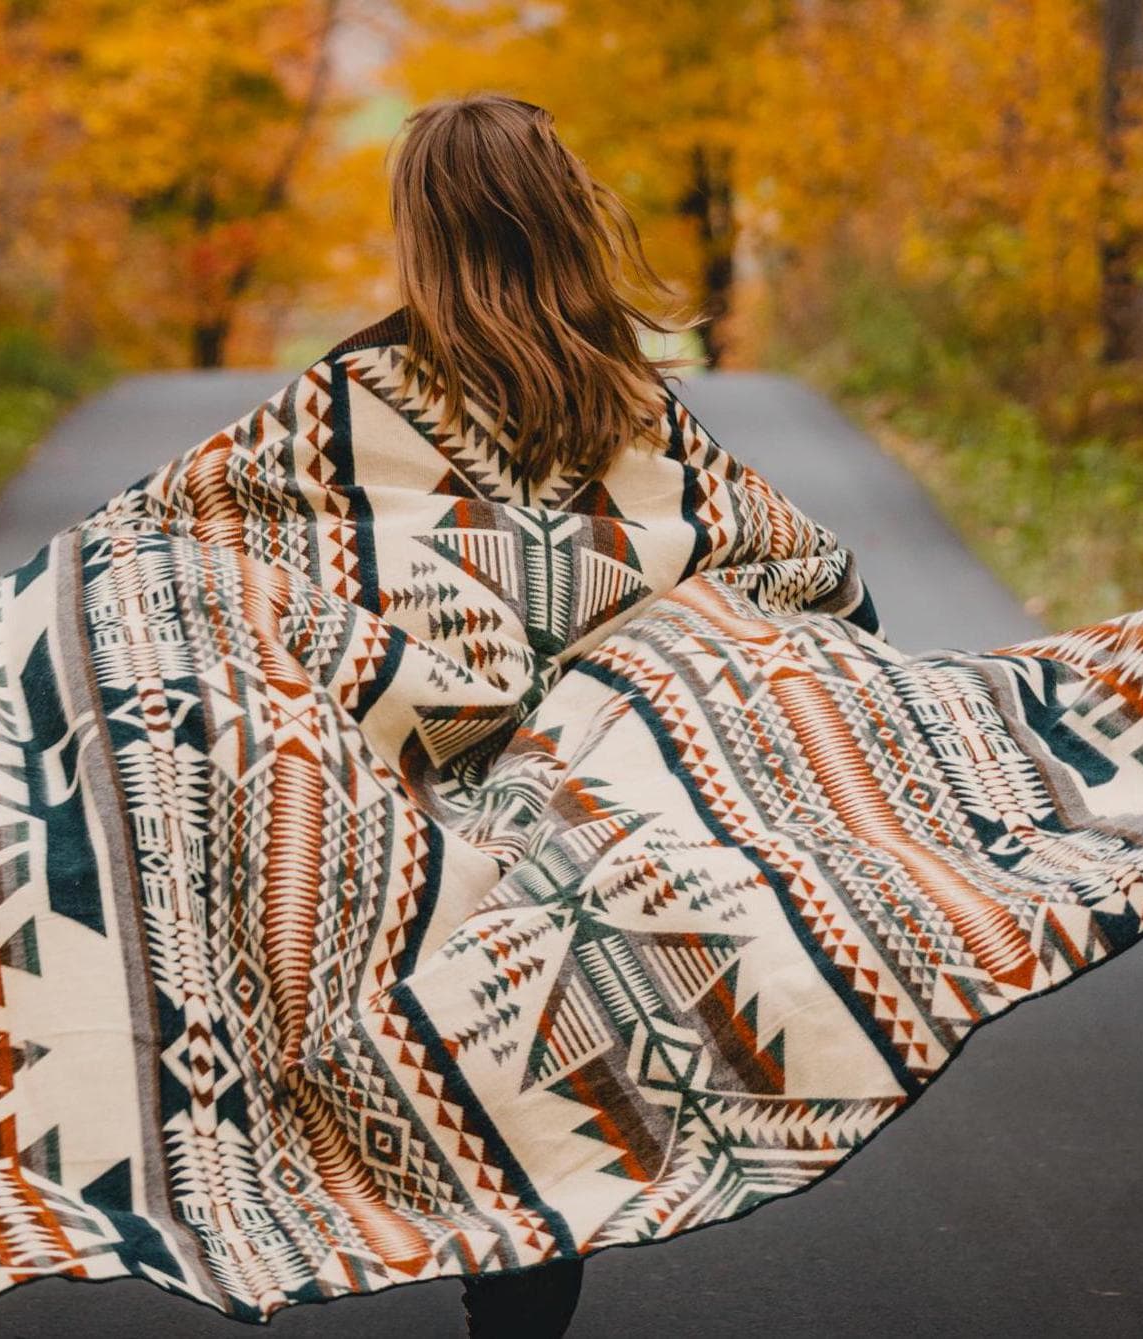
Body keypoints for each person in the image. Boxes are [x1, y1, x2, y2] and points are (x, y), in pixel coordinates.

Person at [375, 89, 702, 1339]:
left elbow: (152, 565)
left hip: (398, 828)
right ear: (562, 219)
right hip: (575, 834)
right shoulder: (639, 420)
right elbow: (818, 586)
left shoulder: (337, 410)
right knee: (534, 1113)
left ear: (423, 230)